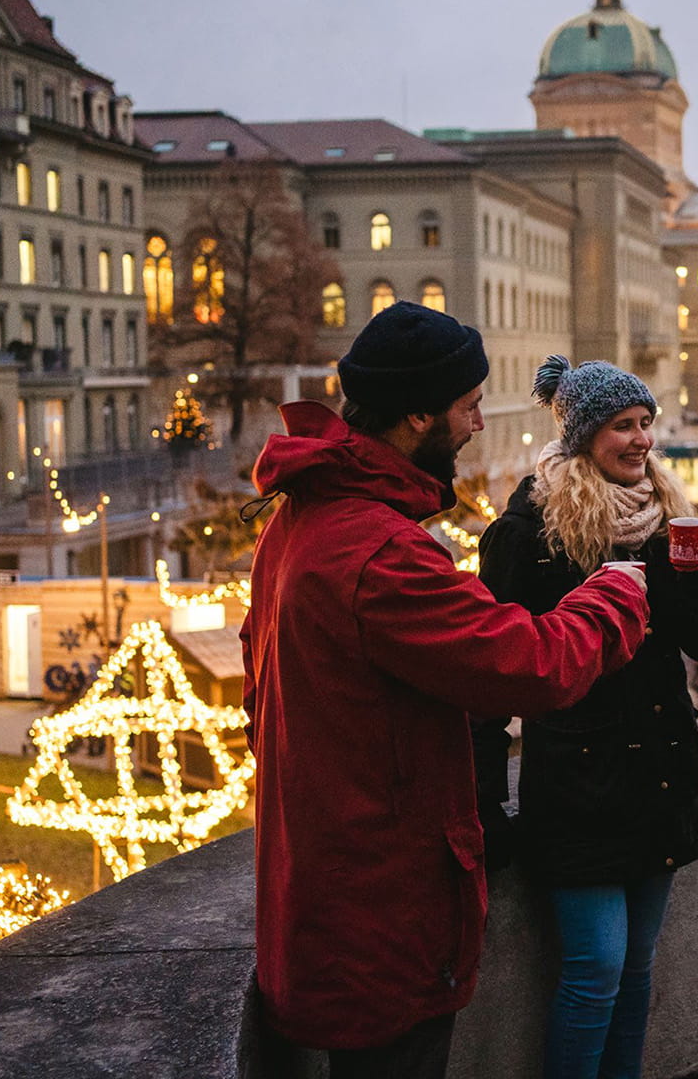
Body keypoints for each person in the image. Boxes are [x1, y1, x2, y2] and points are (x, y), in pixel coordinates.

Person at [239, 303, 653, 1079]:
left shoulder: (300, 519)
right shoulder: (380, 552)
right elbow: (531, 664)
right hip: (379, 907)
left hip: (325, 889)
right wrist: (615, 594)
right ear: (418, 415)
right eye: (468, 407)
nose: (476, 425)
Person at [476, 355, 698, 1079]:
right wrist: (483, 796)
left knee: (636, 969)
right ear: (584, 434)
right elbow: (490, 673)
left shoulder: (668, 520)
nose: (641, 440)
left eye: (646, 422)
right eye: (623, 425)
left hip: (659, 774)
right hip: (579, 783)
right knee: (596, 969)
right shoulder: (529, 532)